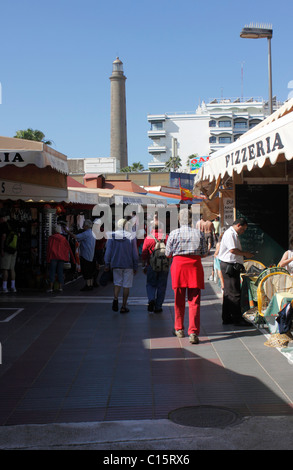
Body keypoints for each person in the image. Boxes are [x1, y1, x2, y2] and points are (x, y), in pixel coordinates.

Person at [165, 208, 208, 344]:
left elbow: (168, 253)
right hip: (194, 267)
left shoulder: (173, 233)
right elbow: (204, 252)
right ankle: (193, 332)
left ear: (179, 219)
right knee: (194, 301)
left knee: (178, 299)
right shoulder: (199, 234)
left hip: (178, 267)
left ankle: (179, 329)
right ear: (191, 220)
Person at [218, 218, 254, 326]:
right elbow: (232, 250)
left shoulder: (232, 234)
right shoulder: (230, 234)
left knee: (229, 293)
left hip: (230, 265)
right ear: (238, 225)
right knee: (234, 293)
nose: (243, 232)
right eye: (243, 229)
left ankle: (227, 317)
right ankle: (237, 318)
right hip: (230, 265)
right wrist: (245, 254)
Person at [104, 218, 138, 313]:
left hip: (116, 264)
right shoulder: (131, 236)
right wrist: (136, 266)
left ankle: (115, 298)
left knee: (117, 283)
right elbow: (135, 253)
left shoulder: (112, 236)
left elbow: (108, 252)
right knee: (126, 285)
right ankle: (123, 306)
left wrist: (107, 263)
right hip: (128, 265)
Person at [141, 218, 169, 313]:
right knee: (162, 286)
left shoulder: (148, 238)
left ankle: (151, 299)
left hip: (151, 265)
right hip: (164, 265)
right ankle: (158, 306)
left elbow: (144, 253)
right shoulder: (166, 237)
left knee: (151, 284)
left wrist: (144, 264)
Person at [67, 219, 96, 291]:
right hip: (91, 254)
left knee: (86, 271)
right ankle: (90, 285)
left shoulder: (86, 233)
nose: (83, 226)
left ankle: (87, 285)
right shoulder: (92, 233)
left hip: (85, 254)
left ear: (86, 226)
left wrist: (67, 232)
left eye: (84, 225)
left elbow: (75, 237)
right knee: (90, 271)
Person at [46, 225, 75, 293]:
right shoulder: (63, 239)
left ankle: (51, 288)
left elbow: (49, 249)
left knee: (52, 272)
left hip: (53, 257)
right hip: (61, 258)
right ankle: (60, 287)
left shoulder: (51, 238)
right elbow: (67, 249)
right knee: (60, 272)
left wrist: (48, 258)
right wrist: (70, 258)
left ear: (55, 230)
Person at [0, 217, 18, 293]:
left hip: (7, 250)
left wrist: (2, 248)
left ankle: (4, 287)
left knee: (5, 269)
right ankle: (13, 287)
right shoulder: (13, 224)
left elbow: (3, 237)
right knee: (12, 269)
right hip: (14, 249)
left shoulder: (4, 225)